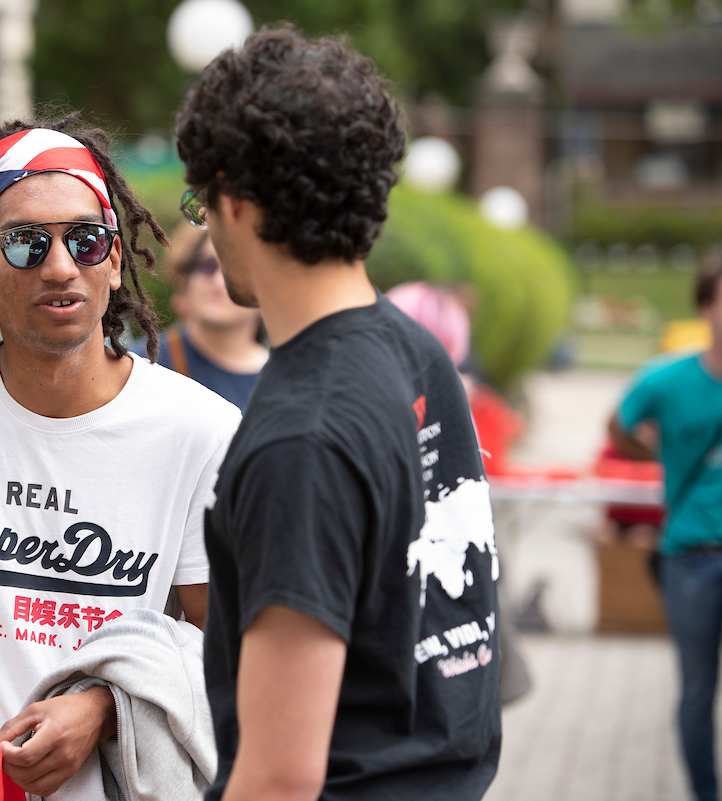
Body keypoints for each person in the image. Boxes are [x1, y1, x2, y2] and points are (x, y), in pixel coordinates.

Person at [0, 117, 242, 801]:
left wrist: (103, 706)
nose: (62, 267)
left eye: (87, 240)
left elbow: (225, 641)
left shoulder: (199, 429)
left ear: (115, 262)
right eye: (26, 243)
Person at [175, 28, 502, 800]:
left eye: (201, 203)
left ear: (237, 199)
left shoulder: (301, 436)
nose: (208, 233)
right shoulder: (417, 352)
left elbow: (281, 776)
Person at [609, 249, 722, 801]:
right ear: (707, 306)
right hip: (692, 556)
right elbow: (619, 423)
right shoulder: (669, 381)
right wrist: (658, 455)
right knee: (698, 691)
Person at [155, 222, 268, 410]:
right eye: (208, 266)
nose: (218, 281)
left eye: (237, 270)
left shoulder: (288, 380)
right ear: (187, 279)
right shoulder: (142, 363)